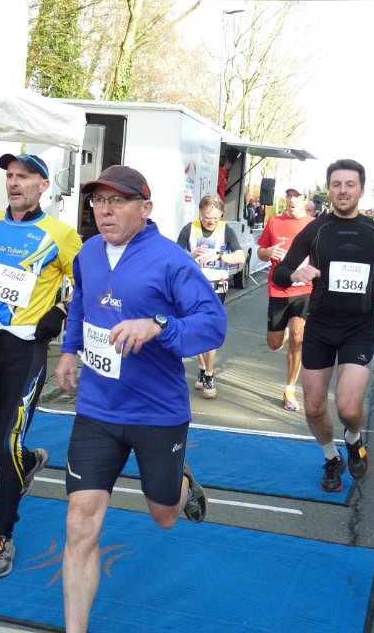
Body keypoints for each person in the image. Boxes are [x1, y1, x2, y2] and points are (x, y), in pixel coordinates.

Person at [54, 165, 226, 633]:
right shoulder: (88, 253)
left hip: (156, 412)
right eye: (98, 201)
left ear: (145, 208)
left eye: (117, 201)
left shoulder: (171, 260)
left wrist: (159, 325)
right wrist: (70, 350)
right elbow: (82, 303)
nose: (104, 211)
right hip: (97, 408)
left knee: (164, 515)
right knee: (80, 522)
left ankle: (182, 484)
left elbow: (213, 324)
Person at [0, 152, 81, 578]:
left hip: (26, 349)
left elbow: (86, 283)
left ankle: (2, 535)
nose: (14, 183)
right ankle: (28, 462)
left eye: (24, 176)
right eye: (10, 176)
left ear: (43, 186)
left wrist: (61, 312)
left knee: (6, 443)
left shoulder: (61, 234)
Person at [272, 159, 374, 492]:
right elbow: (280, 272)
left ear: (361, 190)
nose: (343, 190)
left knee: (348, 408)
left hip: (359, 327)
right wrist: (295, 274)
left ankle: (354, 439)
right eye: (336, 184)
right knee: (314, 408)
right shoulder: (316, 229)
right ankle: (331, 458)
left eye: (349, 184)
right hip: (321, 326)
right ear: (329, 189)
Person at [177, 194, 244, 398]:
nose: (211, 222)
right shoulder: (189, 229)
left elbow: (241, 257)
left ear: (221, 214)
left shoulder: (226, 230)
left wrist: (220, 255)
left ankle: (209, 374)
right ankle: (202, 368)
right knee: (196, 330)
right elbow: (174, 256)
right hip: (193, 286)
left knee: (210, 329)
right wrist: (191, 255)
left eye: (215, 217)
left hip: (217, 286)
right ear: (200, 213)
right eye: (207, 217)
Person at [257, 186, 314, 411]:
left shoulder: (313, 225)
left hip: (304, 289)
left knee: (298, 339)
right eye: (289, 196)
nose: (291, 200)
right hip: (279, 289)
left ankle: (290, 390)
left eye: (296, 196)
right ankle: (285, 333)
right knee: (274, 344)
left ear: (305, 199)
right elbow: (260, 252)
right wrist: (269, 252)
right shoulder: (274, 222)